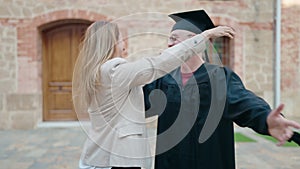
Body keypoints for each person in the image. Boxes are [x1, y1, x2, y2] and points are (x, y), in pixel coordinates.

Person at [143, 10, 300, 169]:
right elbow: (138, 103)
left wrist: (266, 118)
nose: (169, 44)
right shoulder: (164, 80)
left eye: (174, 39)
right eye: (170, 39)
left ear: (195, 41)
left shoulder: (219, 77)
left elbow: (245, 102)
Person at [72, 20, 235, 169]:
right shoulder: (113, 71)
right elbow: (158, 64)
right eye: (121, 39)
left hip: (98, 157)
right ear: (110, 43)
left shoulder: (96, 72)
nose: (124, 44)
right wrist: (204, 36)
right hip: (117, 160)